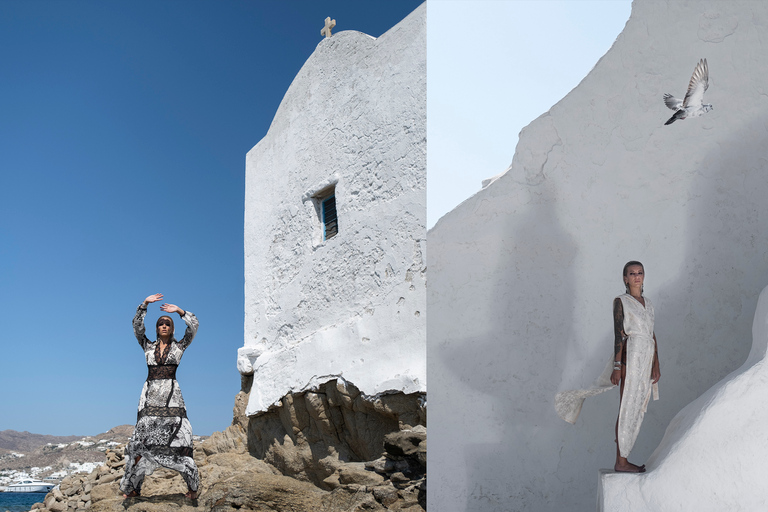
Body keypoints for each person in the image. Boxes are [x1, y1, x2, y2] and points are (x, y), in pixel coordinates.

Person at [119, 293, 200, 499]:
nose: (164, 325)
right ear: (157, 328)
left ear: (172, 329)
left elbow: (194, 327)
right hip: (149, 396)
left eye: (167, 323)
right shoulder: (147, 346)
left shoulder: (180, 346)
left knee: (181, 440)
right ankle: (134, 488)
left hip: (172, 397)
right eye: (161, 323)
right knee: (141, 441)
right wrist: (144, 304)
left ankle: (192, 489)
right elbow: (137, 327)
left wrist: (180, 312)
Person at [611, 261, 661, 473]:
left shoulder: (648, 303)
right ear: (625, 278)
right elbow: (618, 334)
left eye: (640, 273)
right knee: (627, 407)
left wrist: (656, 364)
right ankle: (621, 461)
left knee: (638, 406)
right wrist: (617, 365)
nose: (637, 276)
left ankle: (624, 458)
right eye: (632, 273)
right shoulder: (621, 301)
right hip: (630, 356)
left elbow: (651, 334)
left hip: (646, 355)